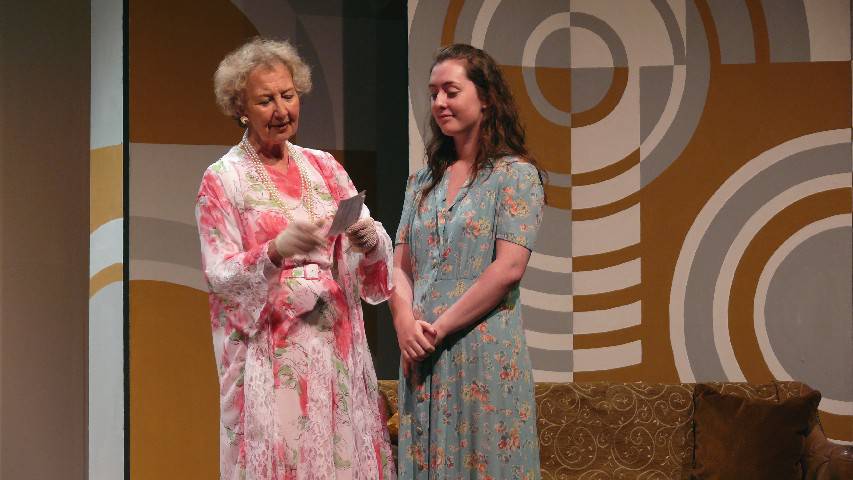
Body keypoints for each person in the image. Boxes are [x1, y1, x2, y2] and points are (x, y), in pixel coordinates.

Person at [196, 37, 396, 479]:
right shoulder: (223, 179)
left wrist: (368, 238)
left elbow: (368, 250)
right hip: (273, 349)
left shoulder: (323, 167)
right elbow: (220, 276)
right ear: (240, 108)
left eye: (288, 95)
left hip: (332, 343)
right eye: (265, 100)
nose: (281, 110)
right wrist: (274, 251)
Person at [391, 43, 545, 479]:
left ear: (487, 97)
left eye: (451, 91)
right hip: (422, 354)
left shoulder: (515, 175)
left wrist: (438, 329)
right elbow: (399, 266)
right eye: (433, 93)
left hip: (482, 352)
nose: (440, 102)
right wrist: (404, 324)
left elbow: (508, 269)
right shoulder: (422, 181)